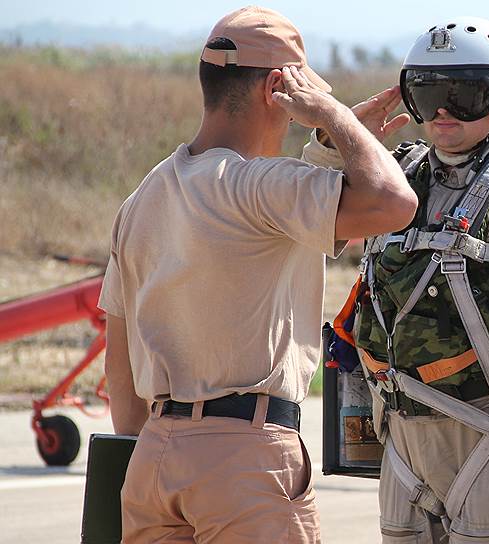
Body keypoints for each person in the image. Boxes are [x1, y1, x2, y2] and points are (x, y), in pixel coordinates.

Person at [98, 6, 417, 543]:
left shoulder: (144, 198)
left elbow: (120, 361)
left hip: (154, 457)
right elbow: (393, 202)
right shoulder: (259, 185)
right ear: (279, 87)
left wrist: (157, 446)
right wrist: (334, 116)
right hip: (245, 458)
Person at [302, 17, 489, 544]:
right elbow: (314, 220)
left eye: (464, 95)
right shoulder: (395, 177)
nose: (442, 112)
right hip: (399, 430)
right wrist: (335, 139)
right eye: (428, 92)